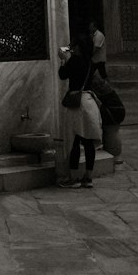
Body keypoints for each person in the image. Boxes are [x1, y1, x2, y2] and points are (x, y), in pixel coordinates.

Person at [58, 35, 100, 188]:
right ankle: (88, 177)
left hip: (77, 103)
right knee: (88, 141)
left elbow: (63, 75)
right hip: (89, 102)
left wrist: (63, 60)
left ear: (77, 47)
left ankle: (74, 177)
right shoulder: (90, 61)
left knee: (74, 140)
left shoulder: (74, 61)